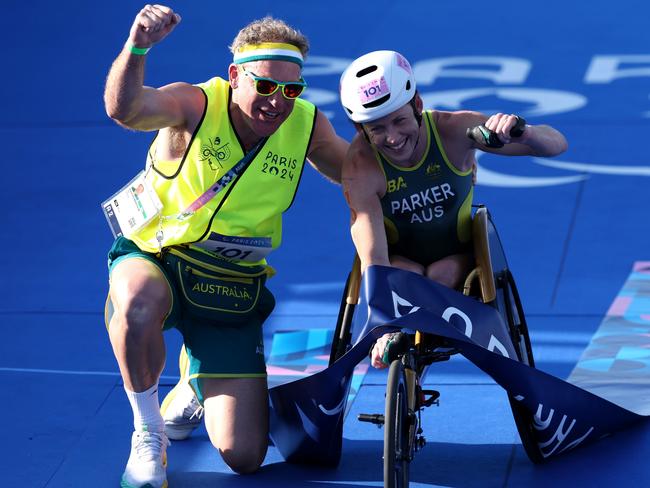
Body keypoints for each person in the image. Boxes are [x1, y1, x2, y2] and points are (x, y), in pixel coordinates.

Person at [103, 5, 347, 487]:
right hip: (158, 256)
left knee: (245, 456)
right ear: (235, 75)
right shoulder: (194, 105)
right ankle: (148, 432)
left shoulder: (306, 125)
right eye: (267, 86)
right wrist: (138, 48)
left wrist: (432, 143)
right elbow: (124, 109)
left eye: (292, 89)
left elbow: (357, 175)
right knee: (135, 305)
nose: (279, 102)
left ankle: (197, 371)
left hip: (230, 286)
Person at [338, 50, 568, 369]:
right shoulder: (360, 166)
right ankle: (402, 347)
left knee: (440, 273)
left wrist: (522, 131)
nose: (392, 138)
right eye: (376, 129)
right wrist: (382, 325)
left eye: (399, 120)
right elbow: (374, 257)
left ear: (418, 105)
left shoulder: (454, 131)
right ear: (359, 128)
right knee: (410, 274)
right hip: (400, 266)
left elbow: (557, 143)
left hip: (457, 261)